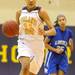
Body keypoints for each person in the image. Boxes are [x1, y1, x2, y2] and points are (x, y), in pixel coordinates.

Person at [16, 0, 56, 75]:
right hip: (24, 43)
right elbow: (16, 30)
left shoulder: (41, 12)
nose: (31, 0)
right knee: (25, 66)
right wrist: (14, 32)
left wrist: (45, 32)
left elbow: (53, 31)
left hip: (38, 47)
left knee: (31, 73)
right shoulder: (19, 12)